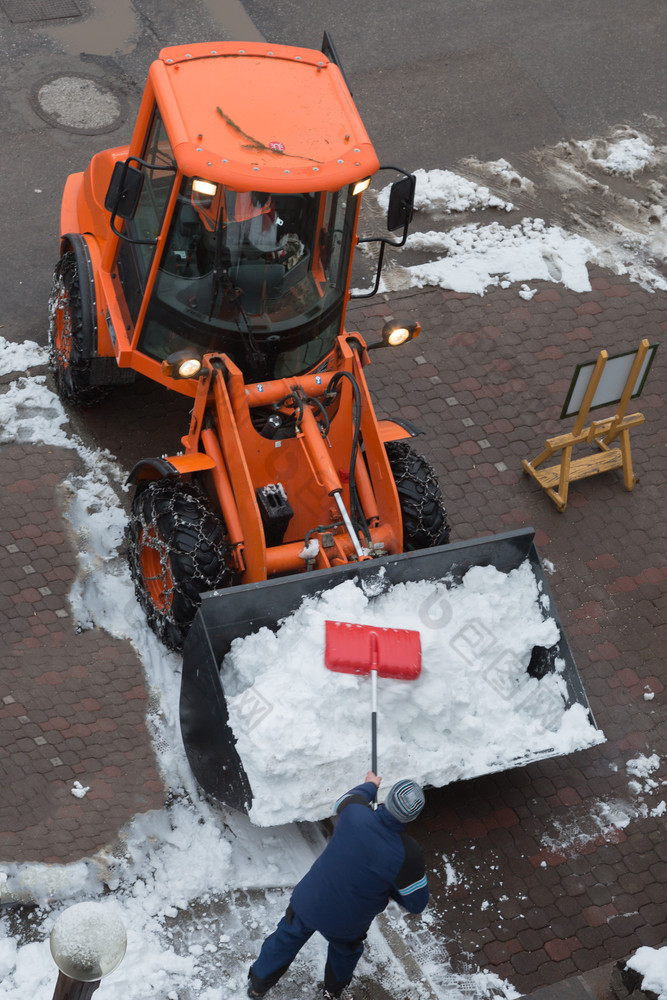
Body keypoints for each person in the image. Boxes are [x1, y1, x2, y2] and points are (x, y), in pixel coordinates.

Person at [247, 772, 428, 999]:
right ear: (411, 818)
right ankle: (332, 991)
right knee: (345, 953)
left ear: (387, 798)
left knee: (286, 937)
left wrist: (370, 785)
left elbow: (343, 801)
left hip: (310, 899)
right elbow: (416, 903)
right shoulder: (409, 854)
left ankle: (257, 985)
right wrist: (391, 890)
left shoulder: (355, 812)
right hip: (347, 923)